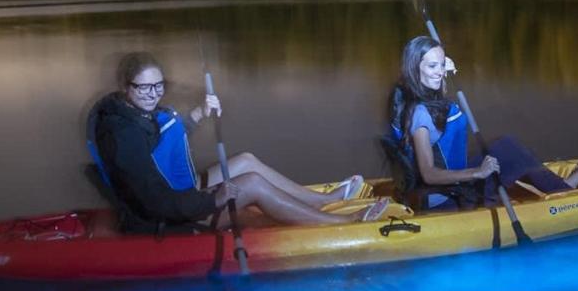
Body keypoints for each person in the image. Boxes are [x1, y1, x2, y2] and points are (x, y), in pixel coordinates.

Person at [91, 51, 388, 233]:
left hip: (179, 192)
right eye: (144, 87)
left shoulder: (134, 113)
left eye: (158, 85)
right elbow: (155, 199)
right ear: (125, 86)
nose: (154, 94)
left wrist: (198, 114)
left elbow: (162, 146)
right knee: (252, 185)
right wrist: (214, 199)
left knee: (246, 161)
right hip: (164, 218)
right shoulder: (122, 136)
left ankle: (322, 201)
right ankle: (344, 224)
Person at [388, 36, 578, 210]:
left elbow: (435, 93)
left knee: (505, 146)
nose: (439, 72)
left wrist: (442, 70)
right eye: (432, 66)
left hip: (451, 182)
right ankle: (569, 195)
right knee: (512, 152)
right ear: (415, 69)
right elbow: (428, 173)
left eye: (441, 64)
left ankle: (562, 188)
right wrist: (478, 173)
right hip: (447, 197)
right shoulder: (420, 114)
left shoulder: (420, 95)